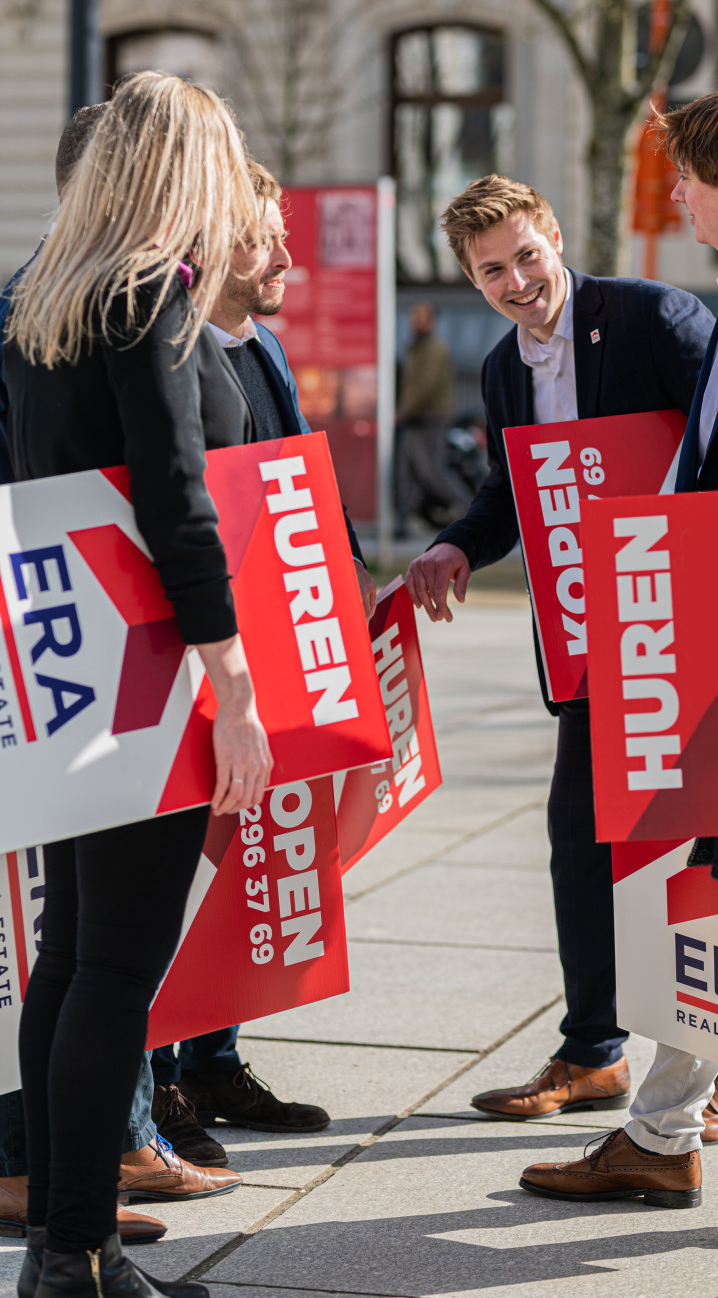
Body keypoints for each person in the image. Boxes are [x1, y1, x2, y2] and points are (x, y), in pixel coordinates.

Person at [518, 77, 718, 1209]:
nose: (676, 194)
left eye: (687, 175)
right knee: (706, 901)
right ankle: (659, 1129)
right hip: (707, 640)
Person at [5, 71, 273, 1298]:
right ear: (186, 168)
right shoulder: (152, 296)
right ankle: (75, 1252)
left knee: (70, 958)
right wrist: (237, 683)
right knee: (116, 964)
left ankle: (75, 1245)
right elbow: (175, 497)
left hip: (68, 658)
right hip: (151, 665)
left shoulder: (43, 295)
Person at [406, 174, 714, 1122]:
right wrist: (458, 541)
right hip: (589, 636)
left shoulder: (654, 316)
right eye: (491, 270)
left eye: (526, 255)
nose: (516, 280)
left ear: (555, 233)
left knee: (704, 839)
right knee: (579, 836)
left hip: (689, 618)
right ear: (471, 277)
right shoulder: (503, 370)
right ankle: (593, 1050)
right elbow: (513, 491)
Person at [148, 159, 369, 1165]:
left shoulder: (261, 349)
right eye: (263, 240)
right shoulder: (177, 348)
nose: (286, 257)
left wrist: (351, 578)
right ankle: (157, 1082)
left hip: (279, 636)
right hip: (204, 647)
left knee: (255, 861)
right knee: (185, 867)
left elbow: (300, 475)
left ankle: (212, 1060)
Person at [394, 303, 468, 534]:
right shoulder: (415, 347)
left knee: (430, 471)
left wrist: (402, 411)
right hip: (416, 418)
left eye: (421, 316)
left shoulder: (434, 349)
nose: (415, 320)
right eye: (413, 315)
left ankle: (471, 511)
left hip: (430, 418)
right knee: (405, 471)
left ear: (432, 321)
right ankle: (402, 524)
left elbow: (423, 386)